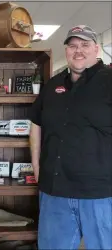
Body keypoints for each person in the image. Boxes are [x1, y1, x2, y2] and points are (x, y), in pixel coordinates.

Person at [30, 25, 112, 250]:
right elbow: (36, 123)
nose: (79, 51)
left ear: (96, 49)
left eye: (85, 45)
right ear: (65, 50)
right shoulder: (53, 86)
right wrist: (36, 165)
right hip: (55, 192)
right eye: (73, 45)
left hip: (101, 194)